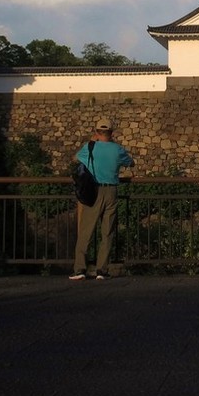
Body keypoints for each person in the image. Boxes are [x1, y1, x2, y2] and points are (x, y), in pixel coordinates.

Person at [70, 118, 134, 280]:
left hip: (94, 191)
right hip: (111, 191)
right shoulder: (117, 149)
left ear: (97, 132)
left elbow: (75, 159)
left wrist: (92, 142)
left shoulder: (90, 147)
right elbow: (130, 162)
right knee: (107, 232)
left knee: (86, 231)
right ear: (111, 133)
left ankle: (80, 269)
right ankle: (102, 270)